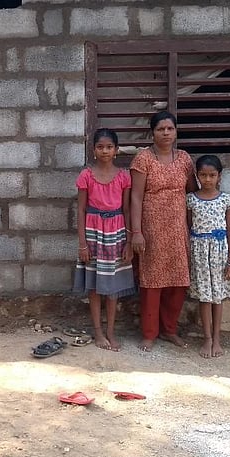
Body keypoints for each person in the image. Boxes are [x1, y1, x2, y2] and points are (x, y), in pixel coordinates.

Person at [129, 111, 197, 351]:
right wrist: (136, 232)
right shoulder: (143, 159)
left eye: (170, 128)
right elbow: (135, 197)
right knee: (152, 281)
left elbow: (192, 193)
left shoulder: (185, 159)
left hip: (178, 228)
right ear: (153, 132)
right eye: (161, 129)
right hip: (152, 228)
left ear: (176, 131)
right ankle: (149, 333)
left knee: (178, 281)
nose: (166, 133)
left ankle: (169, 330)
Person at [73, 128, 136, 351]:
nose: (105, 151)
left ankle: (111, 331)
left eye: (109, 147)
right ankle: (98, 332)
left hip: (116, 232)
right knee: (94, 285)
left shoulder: (123, 177)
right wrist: (82, 244)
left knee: (112, 286)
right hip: (92, 232)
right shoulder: (86, 176)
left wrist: (129, 242)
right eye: (100, 147)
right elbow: (80, 210)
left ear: (116, 150)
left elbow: (127, 210)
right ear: (94, 150)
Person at [187, 154, 230, 358]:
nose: (207, 179)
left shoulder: (227, 200)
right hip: (199, 253)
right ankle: (206, 338)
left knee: (218, 297)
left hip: (219, 253)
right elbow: (189, 227)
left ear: (219, 176)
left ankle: (217, 338)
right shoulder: (191, 199)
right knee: (204, 297)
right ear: (197, 176)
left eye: (212, 175)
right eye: (203, 175)